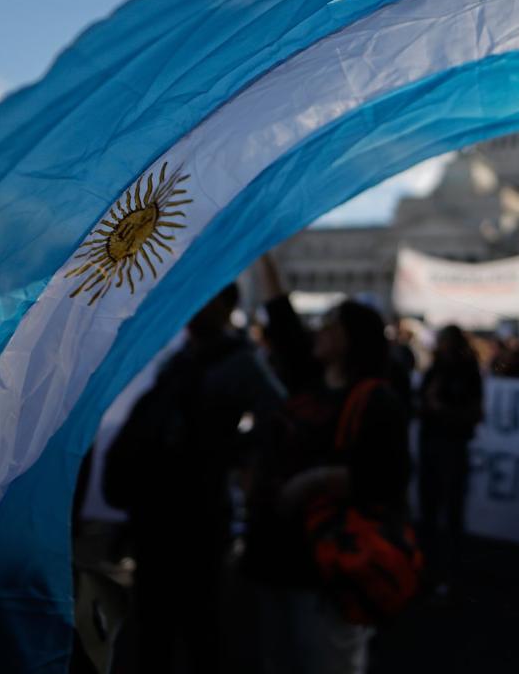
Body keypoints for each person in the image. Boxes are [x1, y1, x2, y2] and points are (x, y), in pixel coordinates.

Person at [102, 284, 283, 674]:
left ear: (226, 306)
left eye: (208, 297)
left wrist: (227, 450)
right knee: (154, 626)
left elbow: (276, 419)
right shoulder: (180, 359)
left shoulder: (238, 361)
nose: (197, 304)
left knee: (201, 625)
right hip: (156, 510)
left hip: (200, 511)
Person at [245, 294, 411, 674]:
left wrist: (311, 483)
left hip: (328, 568)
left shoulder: (376, 400)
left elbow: (388, 478)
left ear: (351, 337)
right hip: (277, 555)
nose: (319, 329)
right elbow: (284, 323)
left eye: (331, 323)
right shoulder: (308, 384)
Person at [417, 324, 485, 593]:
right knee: (429, 509)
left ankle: (451, 572)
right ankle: (429, 568)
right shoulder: (434, 371)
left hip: (453, 446)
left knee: (452, 511)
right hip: (431, 445)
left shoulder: (468, 372)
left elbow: (475, 413)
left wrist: (442, 410)